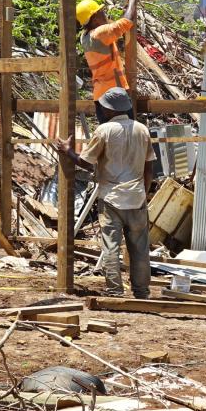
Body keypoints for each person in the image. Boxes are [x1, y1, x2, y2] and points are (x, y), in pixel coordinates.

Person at [71, 87, 152, 297]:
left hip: (111, 198)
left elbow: (86, 162)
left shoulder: (104, 131)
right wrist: (144, 191)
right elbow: (149, 166)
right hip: (137, 198)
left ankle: (115, 290)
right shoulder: (142, 130)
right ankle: (142, 291)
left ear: (108, 109)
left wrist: (66, 151)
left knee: (111, 247)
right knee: (140, 249)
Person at [77, 0, 142, 101]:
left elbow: (116, 27)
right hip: (113, 94)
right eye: (101, 12)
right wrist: (133, 0)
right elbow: (125, 22)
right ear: (94, 18)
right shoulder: (100, 33)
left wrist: (128, 9)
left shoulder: (85, 36)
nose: (104, 14)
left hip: (100, 94)